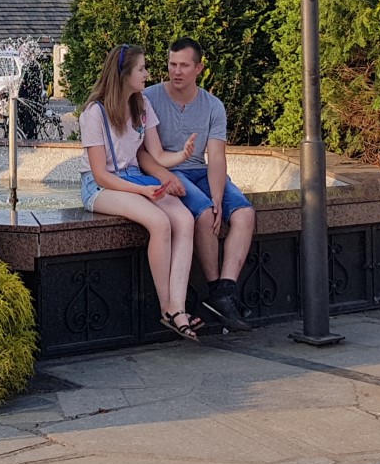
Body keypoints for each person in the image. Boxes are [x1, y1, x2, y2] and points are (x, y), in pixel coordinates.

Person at [80, 44, 202, 341]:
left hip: (135, 178)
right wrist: (143, 190)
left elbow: (157, 155)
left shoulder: (142, 105)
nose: (147, 74)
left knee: (184, 219)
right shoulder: (94, 113)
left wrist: (182, 155)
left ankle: (179, 306)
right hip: (101, 186)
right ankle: (167, 308)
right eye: (141, 69)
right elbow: (100, 174)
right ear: (123, 74)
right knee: (159, 222)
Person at [138, 37, 256, 331]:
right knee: (204, 214)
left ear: (199, 68)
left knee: (244, 214)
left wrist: (218, 195)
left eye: (184, 66)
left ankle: (224, 291)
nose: (176, 71)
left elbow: (215, 157)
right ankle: (215, 287)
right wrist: (165, 175)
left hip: (201, 170)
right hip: (168, 171)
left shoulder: (213, 106)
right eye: (172, 64)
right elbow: (140, 153)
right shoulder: (149, 98)